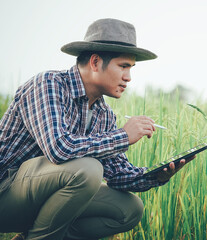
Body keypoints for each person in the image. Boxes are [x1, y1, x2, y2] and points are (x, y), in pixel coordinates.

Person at [0, 18, 194, 240]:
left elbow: (118, 174)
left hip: (37, 202)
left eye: (131, 69)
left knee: (129, 209)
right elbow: (59, 149)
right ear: (95, 62)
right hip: (5, 192)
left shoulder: (104, 114)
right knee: (88, 169)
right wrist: (123, 135)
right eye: (123, 66)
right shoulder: (48, 84)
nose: (129, 78)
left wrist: (156, 176)